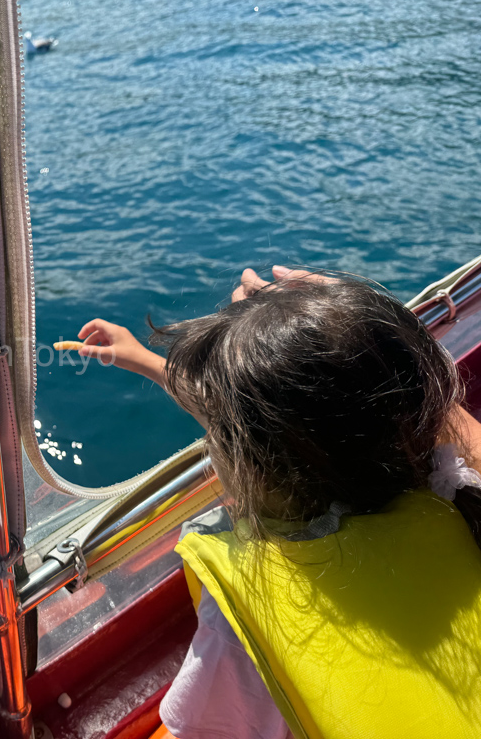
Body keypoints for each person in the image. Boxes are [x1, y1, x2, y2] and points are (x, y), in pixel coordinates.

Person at [76, 266, 481, 739]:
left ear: (252, 468)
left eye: (219, 434)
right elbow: (290, 430)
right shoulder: (454, 491)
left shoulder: (253, 624)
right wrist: (144, 359)